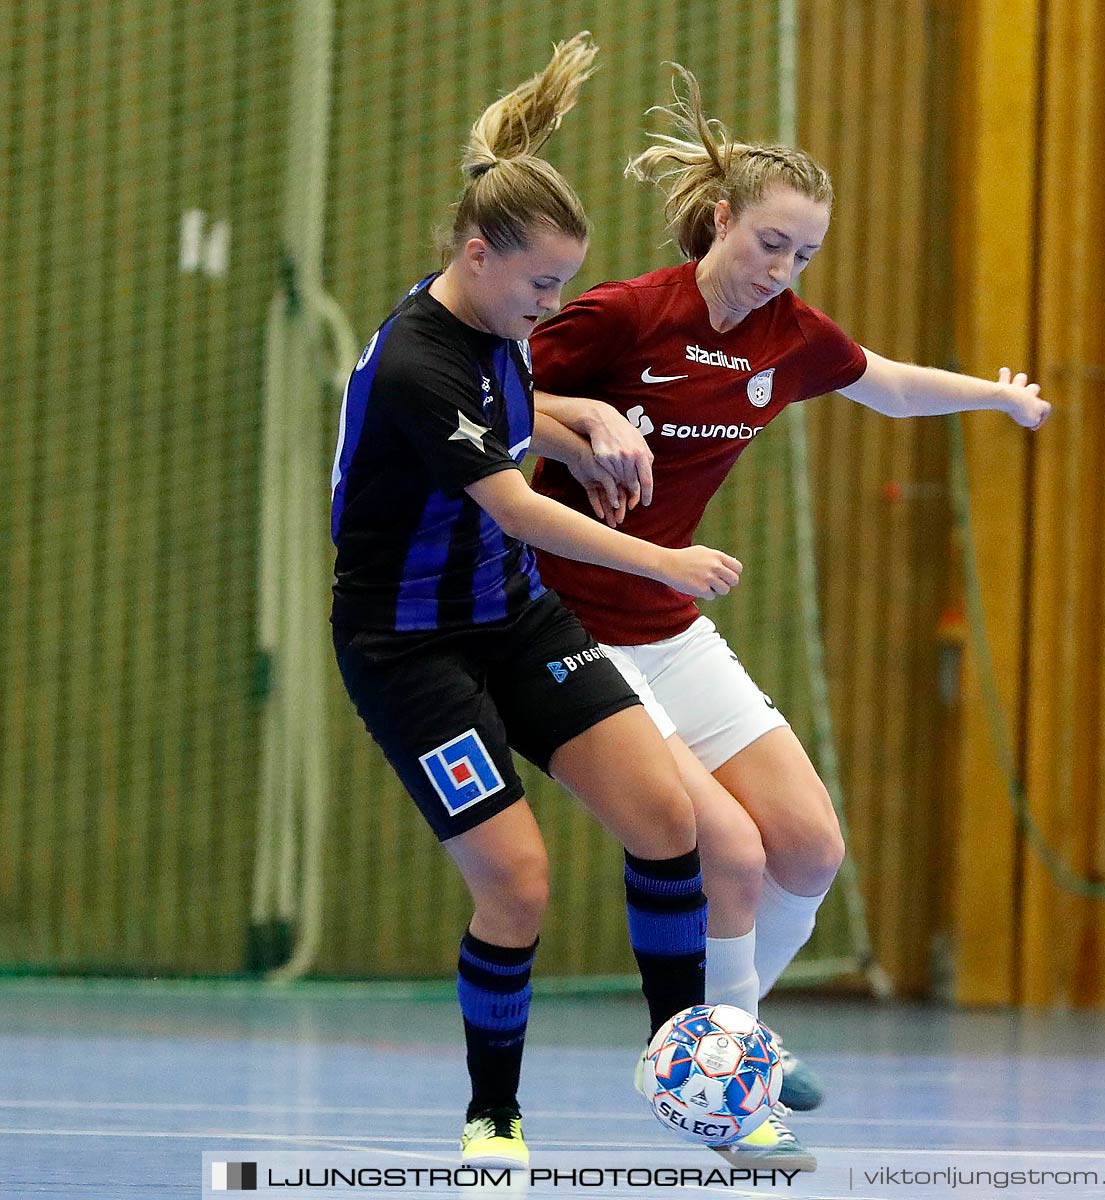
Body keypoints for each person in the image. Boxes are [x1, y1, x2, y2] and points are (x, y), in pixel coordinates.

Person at [525, 65, 1051, 1170]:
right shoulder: (622, 315)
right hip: (569, 627)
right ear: (720, 220)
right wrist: (581, 423)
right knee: (732, 854)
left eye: (804, 254)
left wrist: (995, 397)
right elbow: (489, 397)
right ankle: (714, 1089)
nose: (783, 270)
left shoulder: (788, 338)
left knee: (808, 847)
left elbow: (888, 382)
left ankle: (727, 1028)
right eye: (771, 243)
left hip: (670, 627)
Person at [329, 36, 742, 1168]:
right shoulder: (419, 359)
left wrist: (587, 424)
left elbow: (517, 421)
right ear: (476, 254)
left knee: (669, 822)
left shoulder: (495, 330)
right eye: (543, 285)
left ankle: (683, 1065)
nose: (553, 306)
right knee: (516, 884)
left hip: (511, 620)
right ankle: (494, 1115)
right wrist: (663, 560)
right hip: (410, 650)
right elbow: (510, 503)